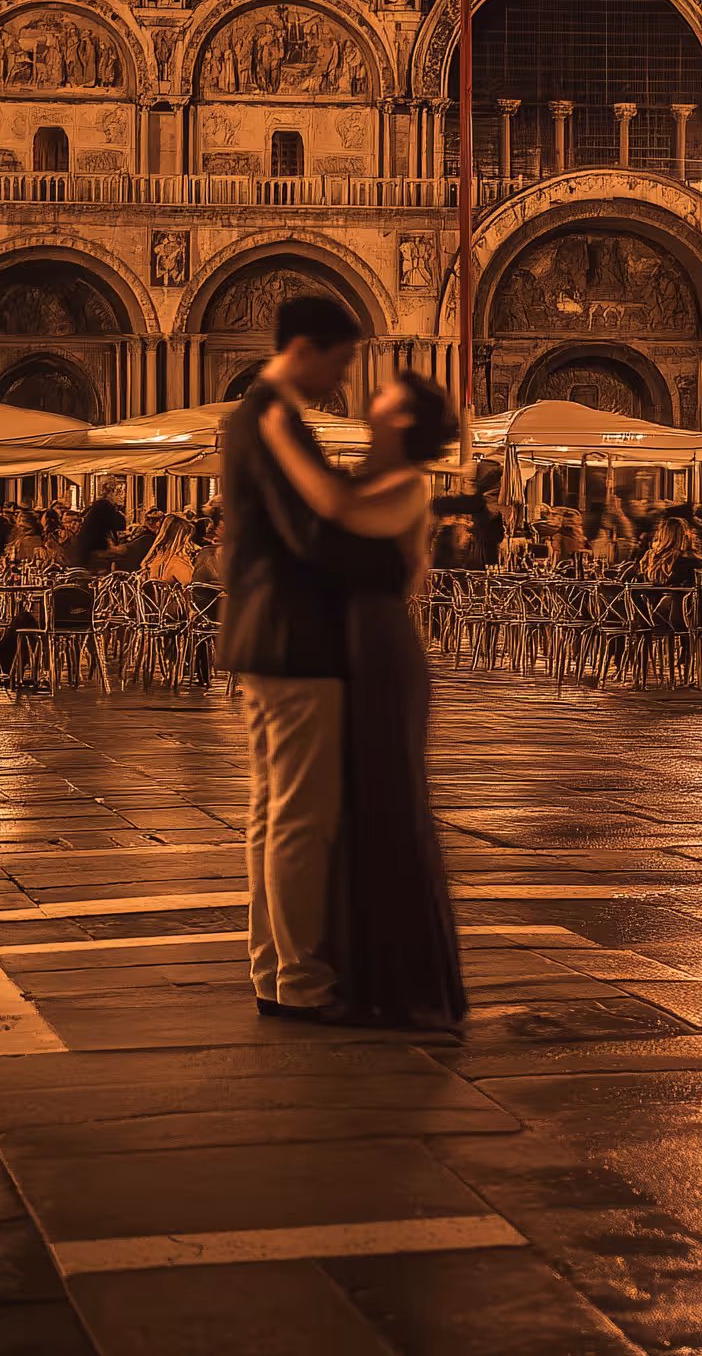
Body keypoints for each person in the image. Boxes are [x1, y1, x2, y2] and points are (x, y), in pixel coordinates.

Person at [255, 372, 468, 1030]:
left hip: (380, 651)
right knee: (345, 808)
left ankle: (392, 978)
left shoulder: (407, 485)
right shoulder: (367, 476)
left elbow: (337, 514)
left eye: (386, 397)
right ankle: (350, 967)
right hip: (346, 648)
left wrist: (281, 439)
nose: (371, 399)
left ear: (404, 421)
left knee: (384, 801)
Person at [217, 294, 382, 1025]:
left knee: (272, 812)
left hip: (265, 634)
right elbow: (309, 533)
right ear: (308, 349)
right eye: (341, 361)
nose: (339, 378)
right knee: (300, 816)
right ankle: (303, 978)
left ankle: (275, 969)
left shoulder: (252, 416)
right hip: (295, 635)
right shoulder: (275, 420)